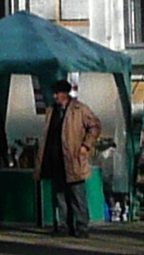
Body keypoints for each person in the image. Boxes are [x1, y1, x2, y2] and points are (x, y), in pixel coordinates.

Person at [41, 84, 105, 236]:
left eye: (57, 93)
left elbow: (95, 126)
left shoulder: (80, 109)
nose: (55, 96)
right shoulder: (52, 111)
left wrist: (85, 146)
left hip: (74, 159)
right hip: (57, 160)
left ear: (65, 93)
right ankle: (64, 226)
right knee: (60, 196)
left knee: (77, 195)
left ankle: (82, 226)